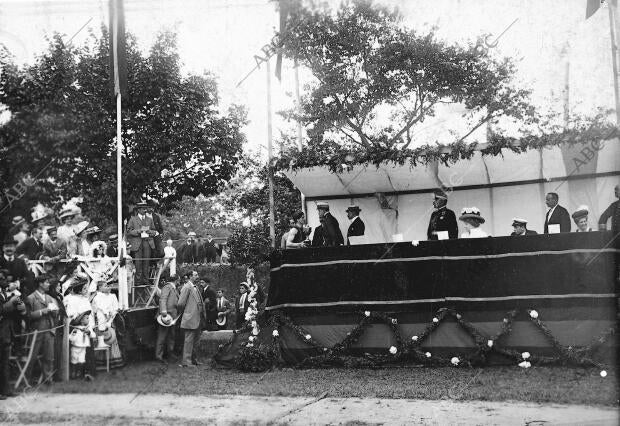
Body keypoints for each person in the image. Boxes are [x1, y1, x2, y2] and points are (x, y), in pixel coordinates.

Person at [25, 274, 59, 383]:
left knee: (49, 356)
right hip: (36, 331)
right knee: (32, 356)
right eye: (47, 282)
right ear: (40, 284)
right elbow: (27, 316)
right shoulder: (31, 298)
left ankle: (48, 379)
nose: (49, 284)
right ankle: (26, 380)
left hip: (49, 331)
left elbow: (55, 314)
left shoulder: (50, 298)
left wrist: (55, 311)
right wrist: (42, 312)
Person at [63, 276, 96, 381]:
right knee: (75, 353)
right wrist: (81, 320)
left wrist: (90, 328)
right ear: (79, 289)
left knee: (86, 352)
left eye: (87, 288)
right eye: (84, 288)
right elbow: (71, 317)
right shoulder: (72, 300)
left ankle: (85, 372)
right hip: (77, 330)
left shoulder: (85, 300)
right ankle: (74, 372)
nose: (86, 290)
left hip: (87, 329)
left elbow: (90, 316)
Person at [0, 268, 26, 399]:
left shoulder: (6, 294)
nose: (4, 281)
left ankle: (6, 390)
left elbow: (14, 312)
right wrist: (13, 302)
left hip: (6, 333)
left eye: (4, 278)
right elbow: (2, 310)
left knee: (4, 363)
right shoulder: (6, 296)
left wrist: (20, 308)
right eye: (1, 279)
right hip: (1, 333)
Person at [91, 280, 123, 369]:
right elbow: (95, 311)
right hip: (101, 322)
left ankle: (114, 361)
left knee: (112, 338)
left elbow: (115, 308)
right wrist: (104, 316)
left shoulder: (112, 296)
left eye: (108, 286)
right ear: (100, 288)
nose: (108, 287)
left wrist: (111, 317)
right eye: (105, 286)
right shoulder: (96, 298)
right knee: (102, 340)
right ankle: (102, 363)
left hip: (110, 321)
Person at [126, 201, 159, 285]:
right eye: (143, 209)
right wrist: (138, 231)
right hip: (137, 244)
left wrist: (149, 231)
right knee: (138, 262)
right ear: (138, 210)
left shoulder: (150, 219)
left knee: (146, 262)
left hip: (147, 243)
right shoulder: (133, 219)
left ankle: (145, 280)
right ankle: (138, 281)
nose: (145, 210)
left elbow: (155, 231)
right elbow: (129, 231)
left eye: (145, 209)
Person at [177, 273, 205, 367]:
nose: (197, 276)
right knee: (189, 340)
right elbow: (180, 303)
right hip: (190, 317)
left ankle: (194, 360)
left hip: (197, 318)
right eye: (195, 275)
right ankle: (186, 362)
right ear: (190, 277)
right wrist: (187, 312)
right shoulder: (187, 287)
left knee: (196, 341)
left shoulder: (195, 287)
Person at [156, 275, 180, 363]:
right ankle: (159, 356)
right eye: (179, 280)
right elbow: (163, 299)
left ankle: (170, 354)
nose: (179, 282)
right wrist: (163, 311)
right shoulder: (167, 287)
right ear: (176, 280)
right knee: (162, 336)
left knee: (171, 335)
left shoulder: (174, 288)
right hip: (166, 316)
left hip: (173, 316)